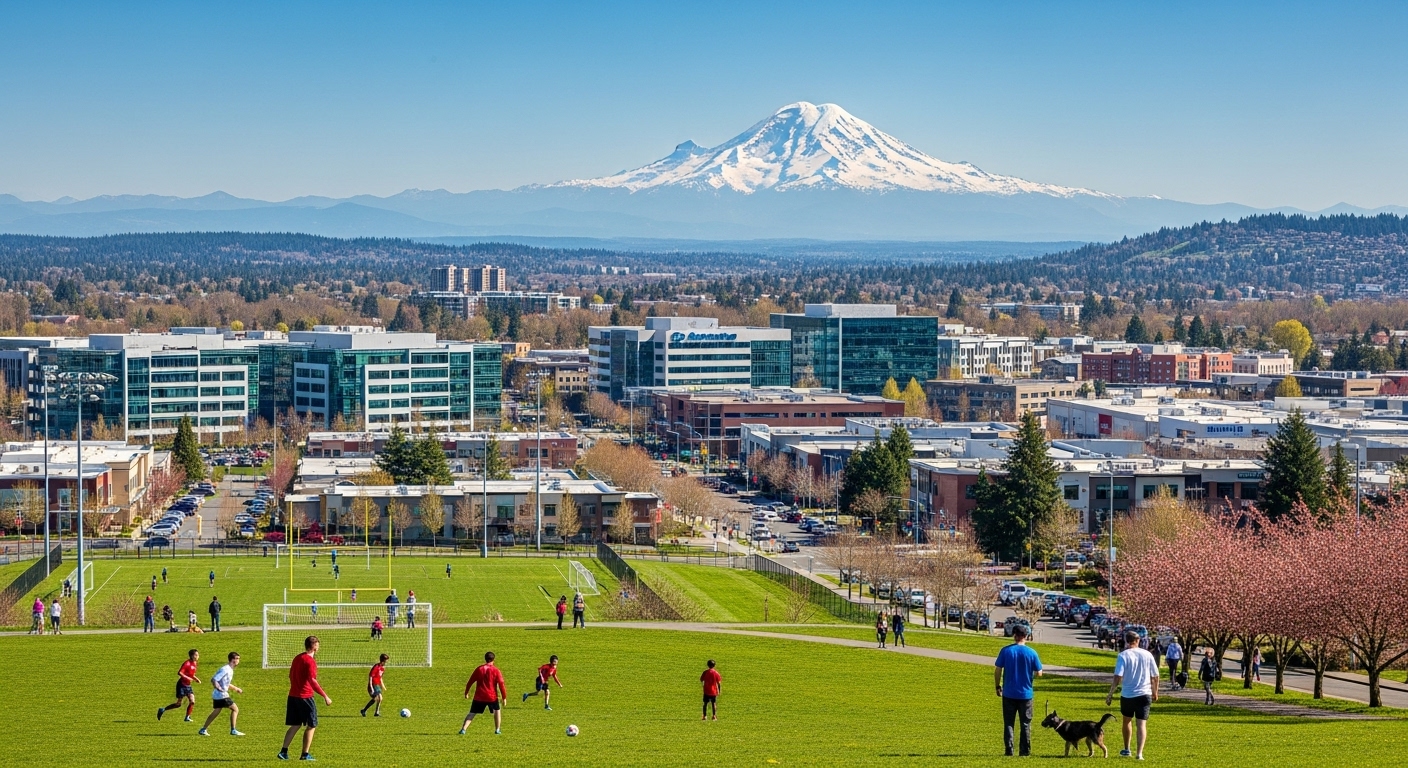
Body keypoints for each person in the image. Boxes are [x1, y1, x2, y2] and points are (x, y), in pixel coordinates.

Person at [1106, 629, 1160, 760]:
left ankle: (1127, 749)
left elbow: (1118, 676)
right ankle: (1139, 753)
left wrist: (1111, 693)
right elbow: (1155, 676)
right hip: (1144, 694)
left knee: (1127, 721)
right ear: (1138, 641)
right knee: (1141, 724)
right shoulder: (1147, 654)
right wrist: (1155, 691)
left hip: (1128, 694)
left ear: (1126, 641)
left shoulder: (1123, 655)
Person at [994, 623, 1043, 757]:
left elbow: (998, 670)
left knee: (1009, 722)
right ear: (1026, 636)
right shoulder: (1032, 653)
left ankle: (1009, 749)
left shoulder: (1006, 651)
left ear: (1014, 636)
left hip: (1009, 693)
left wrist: (998, 686)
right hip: (1026, 694)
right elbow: (1039, 672)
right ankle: (1024, 751)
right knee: (1025, 723)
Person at [280, 635, 331, 761]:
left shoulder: (297, 658)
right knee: (312, 725)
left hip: (293, 696)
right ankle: (305, 754)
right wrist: (325, 696)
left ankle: (283, 751)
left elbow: (290, 675)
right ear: (314, 647)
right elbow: (312, 681)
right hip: (305, 696)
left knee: (295, 725)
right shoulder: (310, 661)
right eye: (318, 645)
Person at [460, 651, 507, 736]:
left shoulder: (479, 669)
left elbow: (470, 681)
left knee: (472, 712)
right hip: (491, 696)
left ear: (485, 659)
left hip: (479, 696)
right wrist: (504, 698)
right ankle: (497, 729)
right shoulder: (496, 670)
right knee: (497, 711)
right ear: (494, 659)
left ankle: (463, 729)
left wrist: (466, 692)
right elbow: (501, 684)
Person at [199, 652, 246, 737]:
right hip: (221, 694)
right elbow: (214, 679)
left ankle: (203, 729)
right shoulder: (226, 669)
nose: (239, 661)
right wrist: (219, 688)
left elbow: (226, 683)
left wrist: (236, 689)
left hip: (217, 694)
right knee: (235, 709)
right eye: (237, 659)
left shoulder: (229, 669)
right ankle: (233, 730)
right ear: (233, 660)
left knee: (216, 711)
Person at [158, 648, 202, 722]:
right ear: (192, 656)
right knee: (178, 704)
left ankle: (187, 717)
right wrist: (188, 678)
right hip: (181, 685)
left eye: (198, 655)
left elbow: (192, 674)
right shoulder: (187, 663)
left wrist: (196, 679)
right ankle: (163, 709)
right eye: (196, 655)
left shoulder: (194, 663)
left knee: (192, 701)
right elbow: (180, 673)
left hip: (188, 685)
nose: (198, 656)